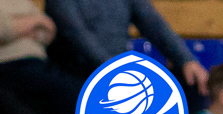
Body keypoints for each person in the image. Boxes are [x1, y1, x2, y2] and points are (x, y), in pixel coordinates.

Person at [44, 0, 208, 93]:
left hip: (118, 68)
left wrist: (186, 59)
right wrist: (112, 68)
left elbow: (153, 23)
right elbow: (75, 34)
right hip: (75, 70)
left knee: (188, 81)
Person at [0, 0, 78, 114]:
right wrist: (33, 23)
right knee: (71, 97)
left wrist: (16, 25)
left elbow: (48, 31)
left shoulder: (23, 2)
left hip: (39, 66)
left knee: (76, 101)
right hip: (9, 66)